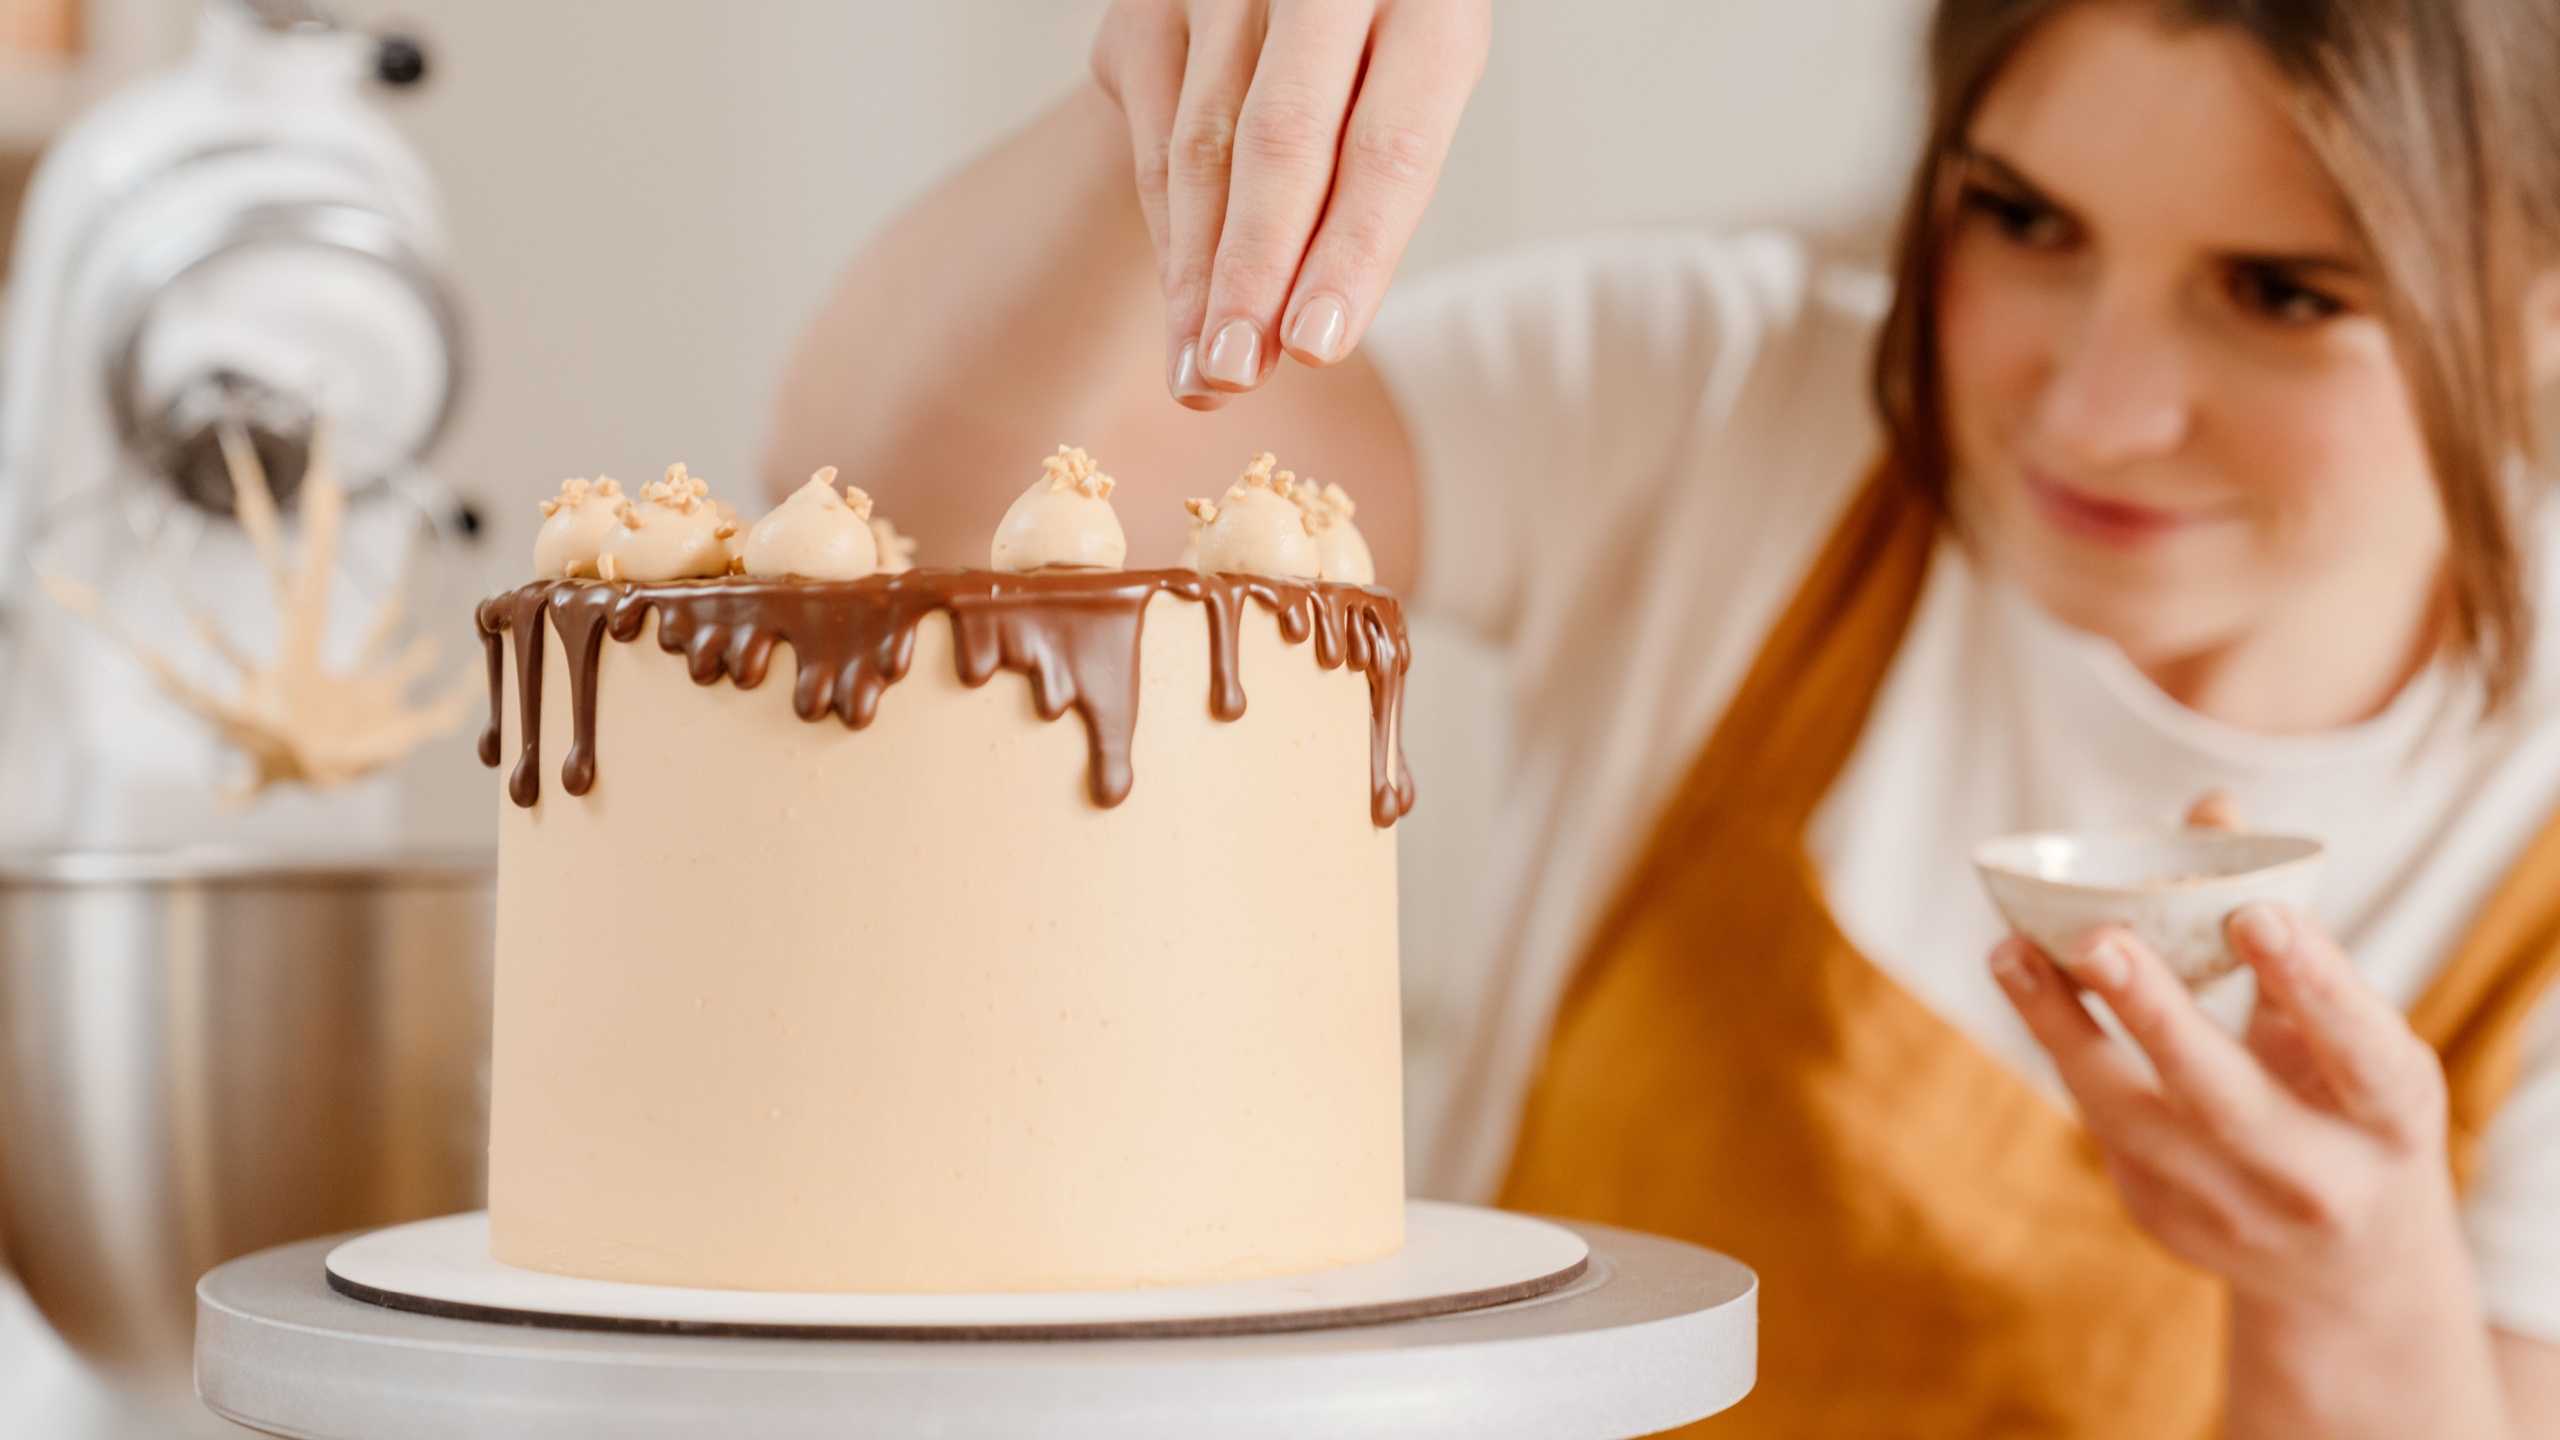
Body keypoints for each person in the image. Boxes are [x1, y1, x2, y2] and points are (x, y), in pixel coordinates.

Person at [764, 0, 2560, 1432]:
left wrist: (2356, 1298)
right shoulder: (1733, 408)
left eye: (2282, 294)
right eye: (2022, 219)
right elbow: (895, 517)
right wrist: (1186, 81)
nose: (2095, 412)